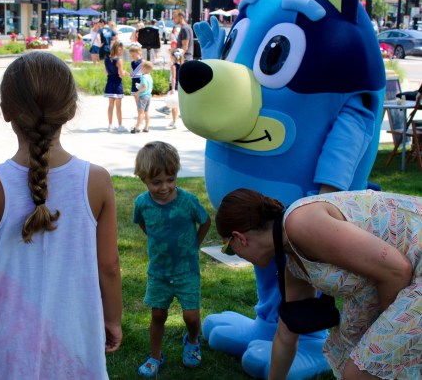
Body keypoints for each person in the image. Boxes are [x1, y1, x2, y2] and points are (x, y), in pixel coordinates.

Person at [0, 52, 123, 379]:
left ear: (6, 110)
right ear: (71, 110)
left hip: (6, 339)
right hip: (75, 335)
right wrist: (112, 319)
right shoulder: (96, 181)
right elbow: (108, 267)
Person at [216, 188, 421, 380]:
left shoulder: (301, 222)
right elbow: (286, 333)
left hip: (413, 266)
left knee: (359, 370)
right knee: (345, 352)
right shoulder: (295, 262)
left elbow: (397, 270)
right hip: (391, 278)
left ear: (239, 238)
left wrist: (386, 336)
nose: (238, 256)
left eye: (229, 249)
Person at [133, 141, 211, 378]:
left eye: (171, 179)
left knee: (191, 315)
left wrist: (194, 245)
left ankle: (193, 340)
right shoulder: (142, 203)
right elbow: (143, 223)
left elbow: (205, 220)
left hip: (187, 269)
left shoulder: (187, 201)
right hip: (159, 271)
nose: (165, 187)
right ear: (143, 179)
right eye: (156, 182)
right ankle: (155, 355)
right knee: (158, 314)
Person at [104, 41, 127, 132]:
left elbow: (106, 72)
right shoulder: (119, 60)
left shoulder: (106, 59)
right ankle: (120, 125)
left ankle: (110, 125)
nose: (122, 51)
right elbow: (121, 74)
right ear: (118, 49)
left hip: (109, 83)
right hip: (117, 84)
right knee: (118, 106)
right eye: (121, 49)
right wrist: (125, 72)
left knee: (110, 105)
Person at [132, 60, 153, 134]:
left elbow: (144, 86)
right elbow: (147, 86)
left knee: (141, 112)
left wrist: (138, 92)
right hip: (148, 96)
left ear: (144, 68)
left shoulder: (143, 77)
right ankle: (146, 127)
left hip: (143, 96)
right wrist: (139, 86)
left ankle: (137, 127)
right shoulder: (149, 77)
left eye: (141, 67)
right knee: (146, 112)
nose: (140, 69)